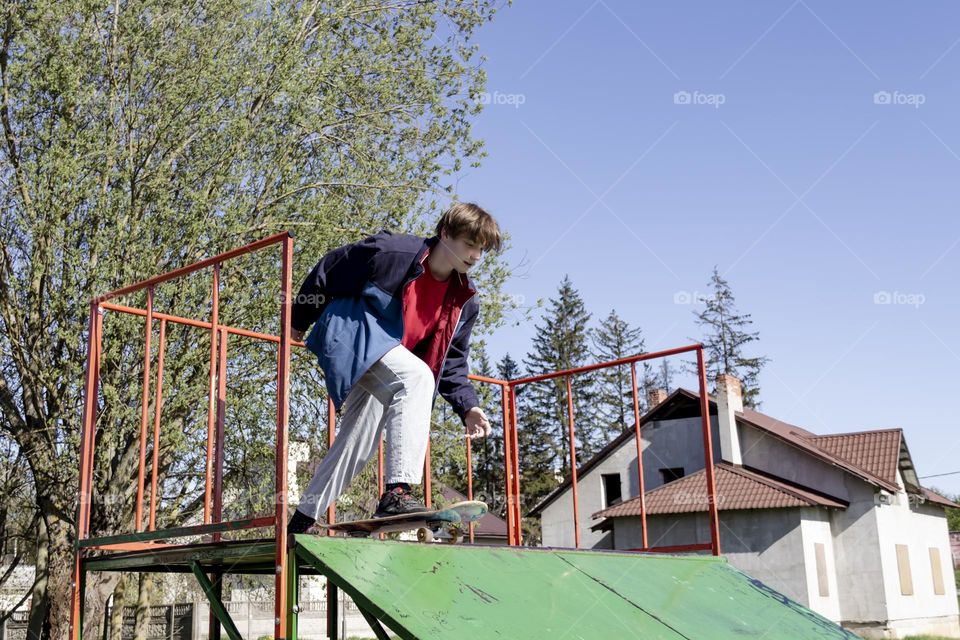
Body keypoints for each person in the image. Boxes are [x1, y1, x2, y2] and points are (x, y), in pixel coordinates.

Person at [286, 203, 502, 534]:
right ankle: (398, 492)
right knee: (417, 377)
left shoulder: (464, 300)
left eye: (481, 249)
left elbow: (453, 359)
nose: (475, 256)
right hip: (350, 332)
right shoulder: (393, 252)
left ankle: (300, 521)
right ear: (445, 234)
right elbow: (330, 267)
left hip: (387, 357)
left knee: (358, 440)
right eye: (469, 245)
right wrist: (298, 319)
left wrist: (468, 405)